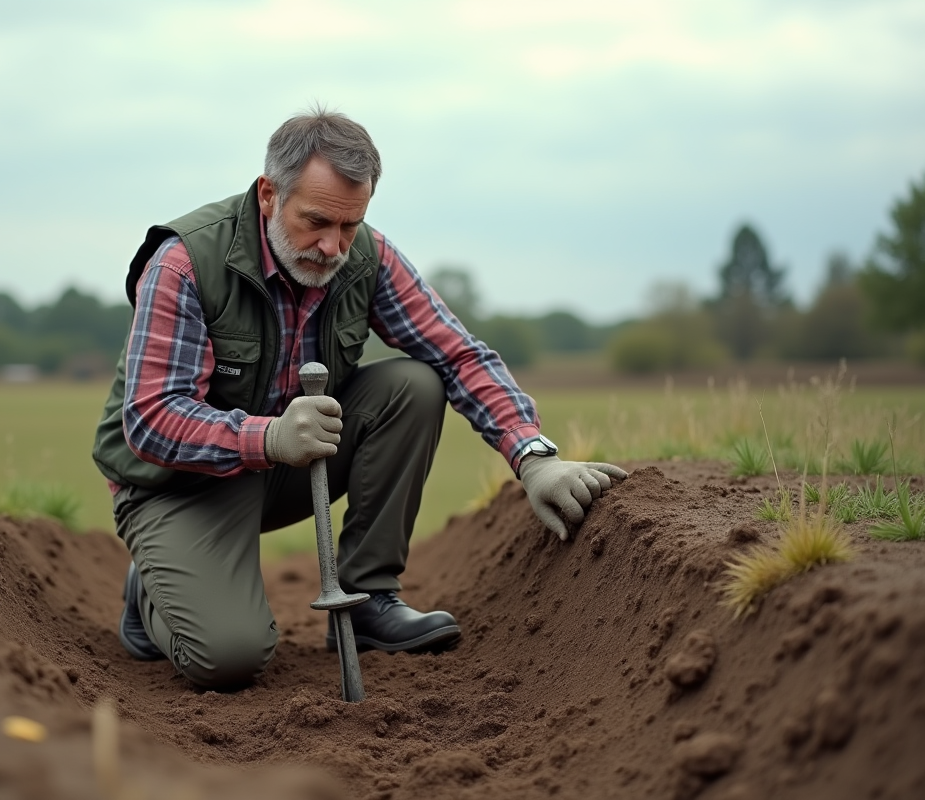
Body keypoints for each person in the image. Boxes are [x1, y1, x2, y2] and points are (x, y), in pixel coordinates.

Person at [92, 108, 627, 690]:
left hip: (287, 462)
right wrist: (269, 436)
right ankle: (152, 588)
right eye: (317, 221)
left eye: (349, 226)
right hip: (178, 484)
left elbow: (457, 354)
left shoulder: (366, 256)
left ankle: (371, 597)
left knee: (412, 385)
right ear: (269, 194)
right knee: (230, 658)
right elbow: (152, 419)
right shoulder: (186, 262)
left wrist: (534, 457)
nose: (332, 247)